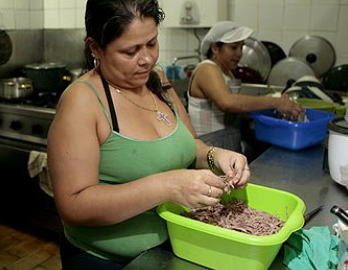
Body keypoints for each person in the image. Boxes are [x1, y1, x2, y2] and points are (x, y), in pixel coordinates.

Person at [47, 1, 251, 269]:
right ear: (96, 48)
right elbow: (73, 205)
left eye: (152, 44)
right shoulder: (83, 101)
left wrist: (217, 155)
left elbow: (193, 147)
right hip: (107, 260)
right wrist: (166, 187)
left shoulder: (156, 79)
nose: (146, 59)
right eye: (130, 51)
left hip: (174, 248)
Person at [188, 21, 305, 138]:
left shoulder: (226, 72)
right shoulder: (207, 69)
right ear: (214, 48)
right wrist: (275, 102)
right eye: (233, 47)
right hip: (208, 146)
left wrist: (272, 110)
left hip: (226, 142)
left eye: (241, 47)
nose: (239, 53)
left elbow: (233, 112)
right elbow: (227, 102)